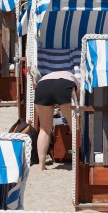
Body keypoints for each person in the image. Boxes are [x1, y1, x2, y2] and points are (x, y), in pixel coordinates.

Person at [33, 38, 78, 170]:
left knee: (45, 129)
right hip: (63, 85)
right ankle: (76, 162)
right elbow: (78, 97)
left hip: (42, 86)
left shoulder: (48, 74)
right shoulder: (73, 76)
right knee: (74, 127)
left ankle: (41, 165)